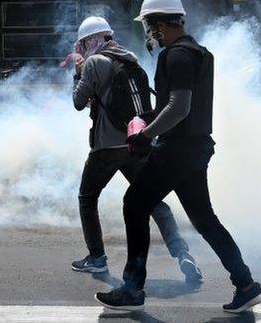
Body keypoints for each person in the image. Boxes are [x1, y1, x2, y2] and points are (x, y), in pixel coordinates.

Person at [94, 0, 261, 314]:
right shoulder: (199, 53)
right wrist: (149, 120)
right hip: (196, 147)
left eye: (149, 26)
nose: (149, 33)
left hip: (177, 149)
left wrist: (146, 134)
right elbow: (176, 105)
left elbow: (179, 106)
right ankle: (246, 285)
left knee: (134, 204)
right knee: (204, 219)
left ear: (160, 24)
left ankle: (132, 289)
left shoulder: (175, 55)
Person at [69, 16, 203, 282]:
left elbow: (78, 102)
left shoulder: (94, 62)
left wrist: (79, 72)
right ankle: (182, 253)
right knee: (153, 201)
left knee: (87, 198)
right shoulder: (128, 57)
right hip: (136, 141)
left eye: (84, 42)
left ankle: (96, 257)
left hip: (106, 147)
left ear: (89, 41)